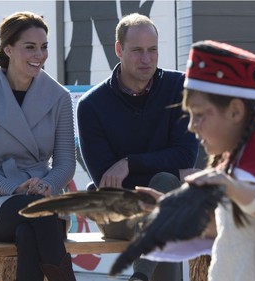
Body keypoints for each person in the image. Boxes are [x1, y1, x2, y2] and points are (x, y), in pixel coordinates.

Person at [77, 13, 199, 281]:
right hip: (117, 211)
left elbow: (186, 154)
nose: (147, 59)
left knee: (164, 192)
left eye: (152, 50)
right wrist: (175, 171)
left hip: (166, 203)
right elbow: (105, 180)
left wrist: (129, 163)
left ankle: (140, 277)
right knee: (166, 192)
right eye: (137, 51)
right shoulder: (91, 106)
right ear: (119, 50)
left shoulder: (179, 88)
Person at [0, 11, 76, 281]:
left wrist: (48, 184)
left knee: (29, 229)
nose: (40, 54)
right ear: (8, 49)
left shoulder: (60, 97)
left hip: (45, 194)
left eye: (44, 47)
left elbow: (65, 163)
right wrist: (14, 188)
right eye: (30, 47)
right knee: (37, 212)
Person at [178, 40, 255, 280]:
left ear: (236, 111)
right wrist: (164, 209)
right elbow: (232, 228)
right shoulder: (241, 158)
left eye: (199, 114)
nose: (192, 126)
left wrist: (231, 187)